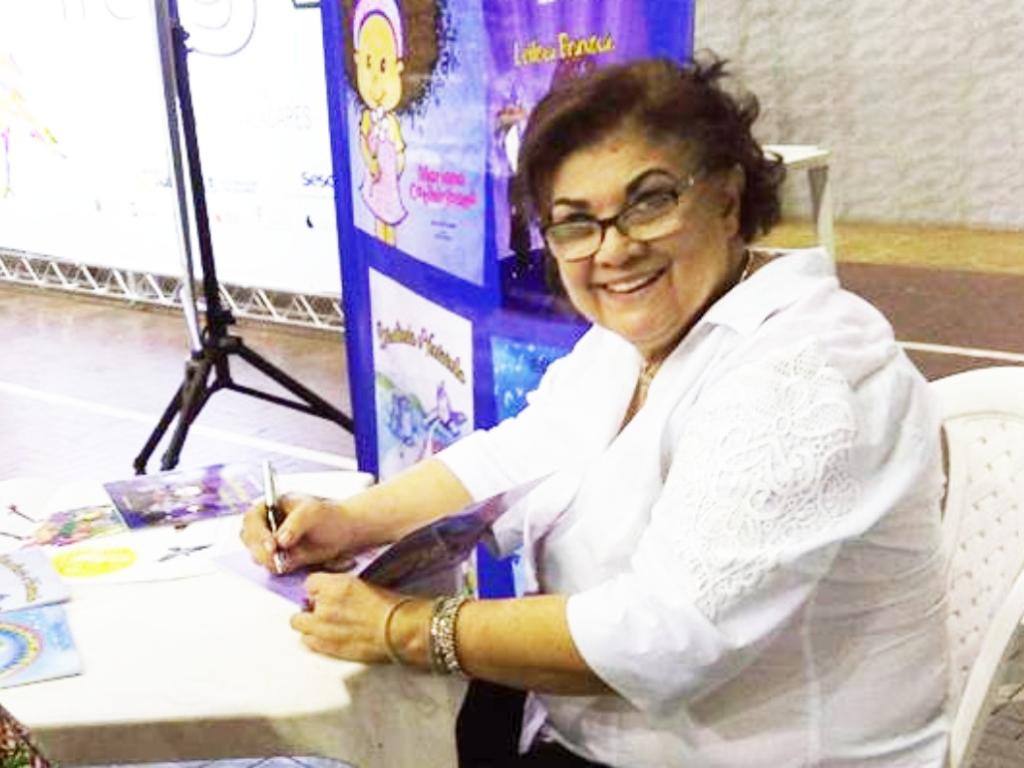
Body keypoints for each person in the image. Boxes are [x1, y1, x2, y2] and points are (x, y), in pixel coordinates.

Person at [242, 55, 949, 767]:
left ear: (728, 200)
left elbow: (665, 634)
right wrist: (349, 521)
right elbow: (516, 455)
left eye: (649, 202)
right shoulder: (635, 341)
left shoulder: (805, 370)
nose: (614, 247)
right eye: (575, 223)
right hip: (585, 732)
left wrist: (404, 627)